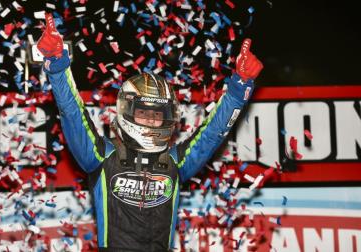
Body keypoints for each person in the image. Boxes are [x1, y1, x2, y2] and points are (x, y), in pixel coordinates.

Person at [37, 13, 263, 252]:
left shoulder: (176, 161)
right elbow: (72, 113)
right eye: (144, 113)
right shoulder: (102, 155)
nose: (152, 121)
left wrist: (239, 88)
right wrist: (57, 64)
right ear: (127, 111)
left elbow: (212, 134)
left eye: (158, 115)